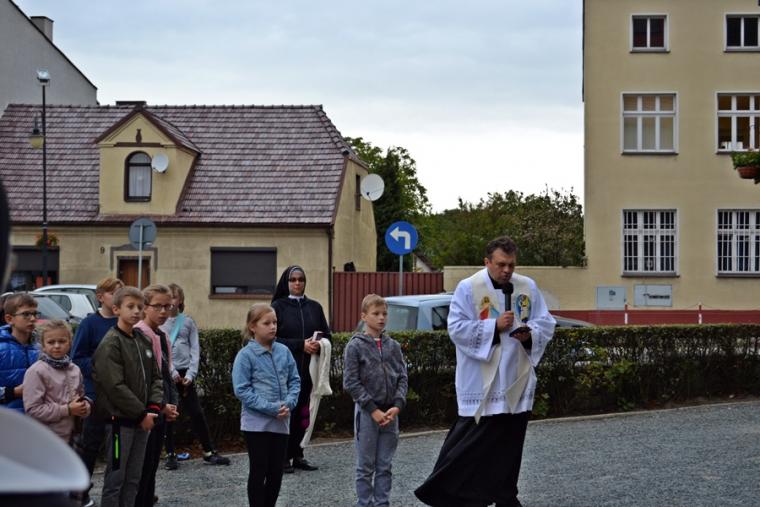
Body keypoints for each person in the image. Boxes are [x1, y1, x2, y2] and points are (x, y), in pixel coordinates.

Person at [415, 236, 556, 507]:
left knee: (509, 448)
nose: (507, 271)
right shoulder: (468, 288)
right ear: (487, 262)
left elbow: (546, 323)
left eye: (511, 265)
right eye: (501, 264)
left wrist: (529, 335)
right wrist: (494, 327)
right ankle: (450, 494)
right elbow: (456, 328)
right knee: (469, 447)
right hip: (482, 384)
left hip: (516, 381)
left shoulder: (527, 286)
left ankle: (505, 496)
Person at [92, 286, 163, 507]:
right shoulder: (111, 343)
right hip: (119, 425)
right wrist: (141, 413)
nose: (136, 311)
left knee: (134, 478)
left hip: (143, 422)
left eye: (140, 307)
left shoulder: (143, 340)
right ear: (116, 309)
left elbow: (156, 377)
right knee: (116, 478)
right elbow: (115, 386)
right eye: (130, 306)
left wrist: (153, 408)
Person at [343, 294, 408, 507]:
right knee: (365, 467)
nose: (381, 318)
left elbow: (402, 377)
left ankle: (382, 503)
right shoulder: (355, 346)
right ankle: (365, 503)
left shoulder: (393, 346)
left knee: (385, 466)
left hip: (391, 414)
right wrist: (372, 409)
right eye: (376, 314)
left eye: (384, 314)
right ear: (364, 316)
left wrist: (397, 405)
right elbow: (350, 382)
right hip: (367, 413)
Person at [232, 303, 300, 507]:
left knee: (276, 472)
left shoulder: (284, 351)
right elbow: (242, 389)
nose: (273, 327)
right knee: (259, 470)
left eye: (275, 322)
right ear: (253, 326)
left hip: (281, 422)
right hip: (256, 425)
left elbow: (295, 380)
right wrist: (271, 408)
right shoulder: (245, 355)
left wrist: (289, 403)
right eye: (267, 323)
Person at [162, 283, 230, 470]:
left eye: (174, 297)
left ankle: (209, 451)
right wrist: (172, 372)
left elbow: (195, 349)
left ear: (181, 300)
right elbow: (162, 352)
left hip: (186, 375)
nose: (171, 301)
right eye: (168, 297)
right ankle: (170, 454)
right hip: (170, 375)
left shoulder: (188, 322)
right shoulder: (161, 323)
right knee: (170, 415)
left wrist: (191, 374)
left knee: (197, 413)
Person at [270, 265, 331, 473]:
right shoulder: (277, 307)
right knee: (288, 414)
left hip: (309, 372)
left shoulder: (315, 307)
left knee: (304, 415)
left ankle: (298, 454)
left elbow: (328, 335)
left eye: (301, 279)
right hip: (285, 373)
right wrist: (300, 345)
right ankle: (282, 457)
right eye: (293, 279)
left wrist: (319, 345)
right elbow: (272, 339)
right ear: (286, 282)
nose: (297, 283)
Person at [71, 276, 124, 507]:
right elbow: (77, 357)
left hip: (120, 397)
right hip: (95, 395)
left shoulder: (124, 323)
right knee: (90, 446)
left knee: (117, 447)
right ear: (101, 297)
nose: (118, 297)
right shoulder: (89, 324)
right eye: (114, 293)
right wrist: (101, 368)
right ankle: (80, 492)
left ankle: (117, 493)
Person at [134, 285, 180, 507]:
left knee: (152, 464)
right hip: (147, 411)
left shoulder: (162, 335)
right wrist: (160, 406)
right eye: (158, 306)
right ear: (145, 307)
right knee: (142, 466)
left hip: (161, 408)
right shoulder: (140, 333)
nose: (163, 312)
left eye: (167, 306)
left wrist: (171, 403)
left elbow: (166, 374)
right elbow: (144, 378)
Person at [22, 319, 91, 443]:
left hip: (71, 437)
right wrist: (67, 409)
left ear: (70, 343)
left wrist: (84, 407)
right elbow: (33, 410)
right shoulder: (36, 371)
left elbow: (80, 397)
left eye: (62, 341)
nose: (57, 346)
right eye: (51, 342)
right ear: (43, 346)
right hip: (45, 439)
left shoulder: (75, 369)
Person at [0, 293, 39, 413]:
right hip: (8, 418)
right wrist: (13, 392)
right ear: (9, 319)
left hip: (38, 418)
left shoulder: (41, 348)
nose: (32, 319)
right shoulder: (1, 348)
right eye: (26, 314)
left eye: (35, 314)